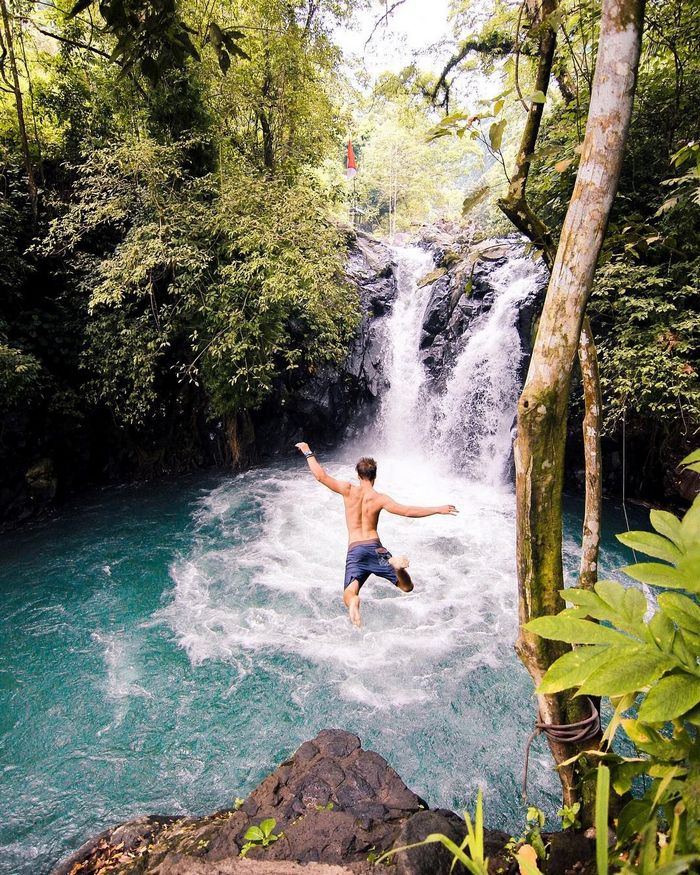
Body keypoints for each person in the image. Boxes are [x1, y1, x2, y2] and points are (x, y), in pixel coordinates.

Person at [295, 442, 458, 626]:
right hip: (375, 548)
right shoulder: (380, 498)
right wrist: (437, 509)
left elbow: (320, 476)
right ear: (375, 476)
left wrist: (307, 451)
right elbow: (407, 511)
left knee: (349, 594)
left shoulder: (347, 490)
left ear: (358, 475)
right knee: (407, 587)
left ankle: (354, 603)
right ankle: (396, 567)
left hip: (355, 550)